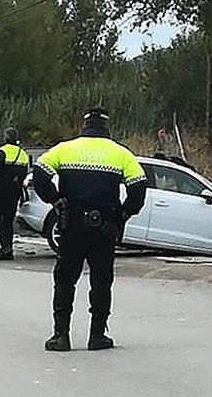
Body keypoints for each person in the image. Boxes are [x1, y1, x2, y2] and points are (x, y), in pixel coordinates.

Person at [33, 108, 147, 351]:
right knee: (102, 281)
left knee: (65, 280)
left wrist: (55, 200)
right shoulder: (121, 153)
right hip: (104, 229)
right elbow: (138, 188)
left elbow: (39, 173)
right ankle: (97, 336)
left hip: (71, 225)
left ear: (83, 125)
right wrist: (122, 215)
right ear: (107, 127)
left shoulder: (65, 149)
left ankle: (61, 336)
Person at [0, 127, 29, 261]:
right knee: (8, 220)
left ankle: (5, 245)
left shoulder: (2, 151)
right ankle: (8, 249)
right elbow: (25, 172)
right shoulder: (23, 154)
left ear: (6, 138)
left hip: (2, 189)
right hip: (16, 190)